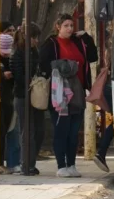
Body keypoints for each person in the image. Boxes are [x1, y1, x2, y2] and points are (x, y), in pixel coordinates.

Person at [38, 14, 98, 178]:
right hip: (59, 92)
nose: (70, 29)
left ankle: (71, 164)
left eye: (71, 25)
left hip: (77, 91)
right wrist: (65, 67)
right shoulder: (51, 44)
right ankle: (61, 165)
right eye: (66, 25)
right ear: (58, 27)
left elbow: (93, 56)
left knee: (73, 131)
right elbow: (44, 64)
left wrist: (86, 37)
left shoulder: (78, 42)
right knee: (61, 129)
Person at [11, 22, 44, 176]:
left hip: (35, 95)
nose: (36, 41)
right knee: (27, 132)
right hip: (23, 95)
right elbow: (18, 76)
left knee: (38, 130)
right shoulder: (18, 53)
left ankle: (31, 162)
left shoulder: (34, 51)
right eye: (34, 37)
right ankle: (26, 164)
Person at [0, 28, 21, 174]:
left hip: (10, 98)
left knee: (12, 130)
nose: (5, 54)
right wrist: (1, 75)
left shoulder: (13, 58)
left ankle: (13, 162)